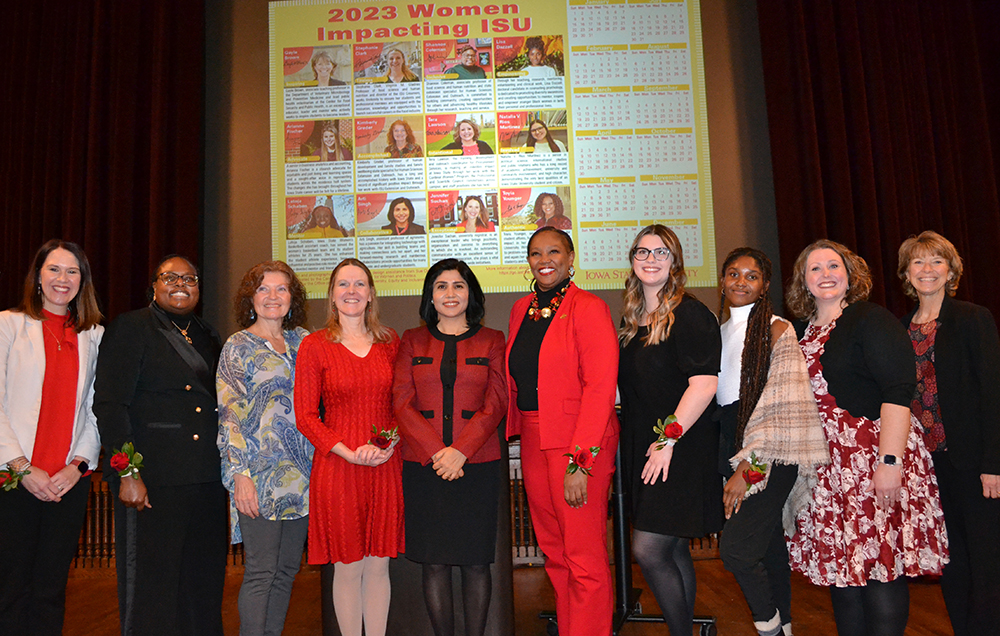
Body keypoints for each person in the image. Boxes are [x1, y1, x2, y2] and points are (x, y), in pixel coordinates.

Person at [785, 239, 948, 636]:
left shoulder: (870, 319)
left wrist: (889, 464)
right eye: (815, 269)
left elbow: (898, 391)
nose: (826, 274)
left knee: (881, 570)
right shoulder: (801, 333)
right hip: (827, 471)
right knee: (844, 573)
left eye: (833, 266)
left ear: (849, 273)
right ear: (804, 282)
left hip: (873, 460)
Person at [94, 255, 227, 636]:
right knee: (153, 589)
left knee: (202, 586)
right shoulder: (132, 328)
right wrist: (128, 474)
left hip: (205, 480)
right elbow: (110, 404)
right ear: (154, 285)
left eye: (190, 278)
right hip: (155, 481)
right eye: (170, 277)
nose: (180, 284)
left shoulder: (208, 334)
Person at [505, 227, 619, 636]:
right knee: (554, 553)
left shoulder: (589, 307)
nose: (544, 259)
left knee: (584, 558)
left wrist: (580, 461)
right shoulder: (522, 309)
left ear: (571, 258)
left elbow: (601, 388)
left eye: (554, 251)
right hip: (534, 440)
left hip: (577, 443)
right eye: (536, 253)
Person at [714, 248, 829, 636]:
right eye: (733, 274)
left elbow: (781, 406)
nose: (740, 282)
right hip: (731, 444)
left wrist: (749, 465)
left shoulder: (779, 329)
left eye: (751, 276)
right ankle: (786, 627)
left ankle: (769, 627)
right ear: (722, 281)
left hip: (769, 452)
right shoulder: (719, 329)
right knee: (768, 548)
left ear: (764, 286)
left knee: (736, 550)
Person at [617, 224, 723, 635]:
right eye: (643, 252)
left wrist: (666, 441)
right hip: (647, 449)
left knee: (649, 548)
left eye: (661, 253)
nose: (650, 260)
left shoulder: (690, 313)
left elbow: (704, 384)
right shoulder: (633, 320)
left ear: (675, 262)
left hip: (678, 449)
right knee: (673, 546)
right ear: (632, 261)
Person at [393, 259, 507, 636]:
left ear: (470, 292)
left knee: (476, 563)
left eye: (458, 286)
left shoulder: (492, 339)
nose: (450, 294)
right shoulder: (411, 339)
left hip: (478, 466)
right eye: (441, 286)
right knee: (434, 563)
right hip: (425, 467)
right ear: (430, 295)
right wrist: (438, 452)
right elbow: (401, 403)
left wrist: (461, 450)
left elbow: (497, 403)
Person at [897, 231, 1000, 636]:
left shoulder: (973, 318)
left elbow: (993, 393)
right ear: (907, 273)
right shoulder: (900, 327)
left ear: (951, 269)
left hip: (974, 463)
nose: (927, 270)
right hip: (928, 465)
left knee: (987, 560)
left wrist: (994, 463)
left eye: (936, 261)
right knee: (951, 560)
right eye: (918, 262)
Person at [0, 240, 104, 636]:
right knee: (11, 589)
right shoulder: (8, 325)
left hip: (67, 483)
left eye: (72, 271)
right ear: (38, 276)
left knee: (50, 589)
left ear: (83, 281)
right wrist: (23, 468)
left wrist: (77, 466)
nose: (63, 279)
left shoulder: (94, 335)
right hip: (14, 480)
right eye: (54, 270)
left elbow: (96, 412)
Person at [294, 259, 403, 636]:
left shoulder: (391, 343)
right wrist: (348, 452)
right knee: (348, 566)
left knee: (378, 566)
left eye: (360, 284)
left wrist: (387, 445)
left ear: (371, 294)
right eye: (343, 284)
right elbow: (306, 416)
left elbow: (402, 406)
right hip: (338, 466)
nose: (352, 291)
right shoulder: (315, 345)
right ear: (332, 295)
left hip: (384, 465)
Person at [217, 261, 313, 636]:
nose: (273, 297)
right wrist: (240, 476)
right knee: (261, 572)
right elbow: (230, 416)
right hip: (258, 477)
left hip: (304, 477)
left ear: (293, 297)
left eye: (281, 289)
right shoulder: (238, 346)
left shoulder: (303, 340)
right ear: (250, 298)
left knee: (287, 571)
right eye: (263, 289)